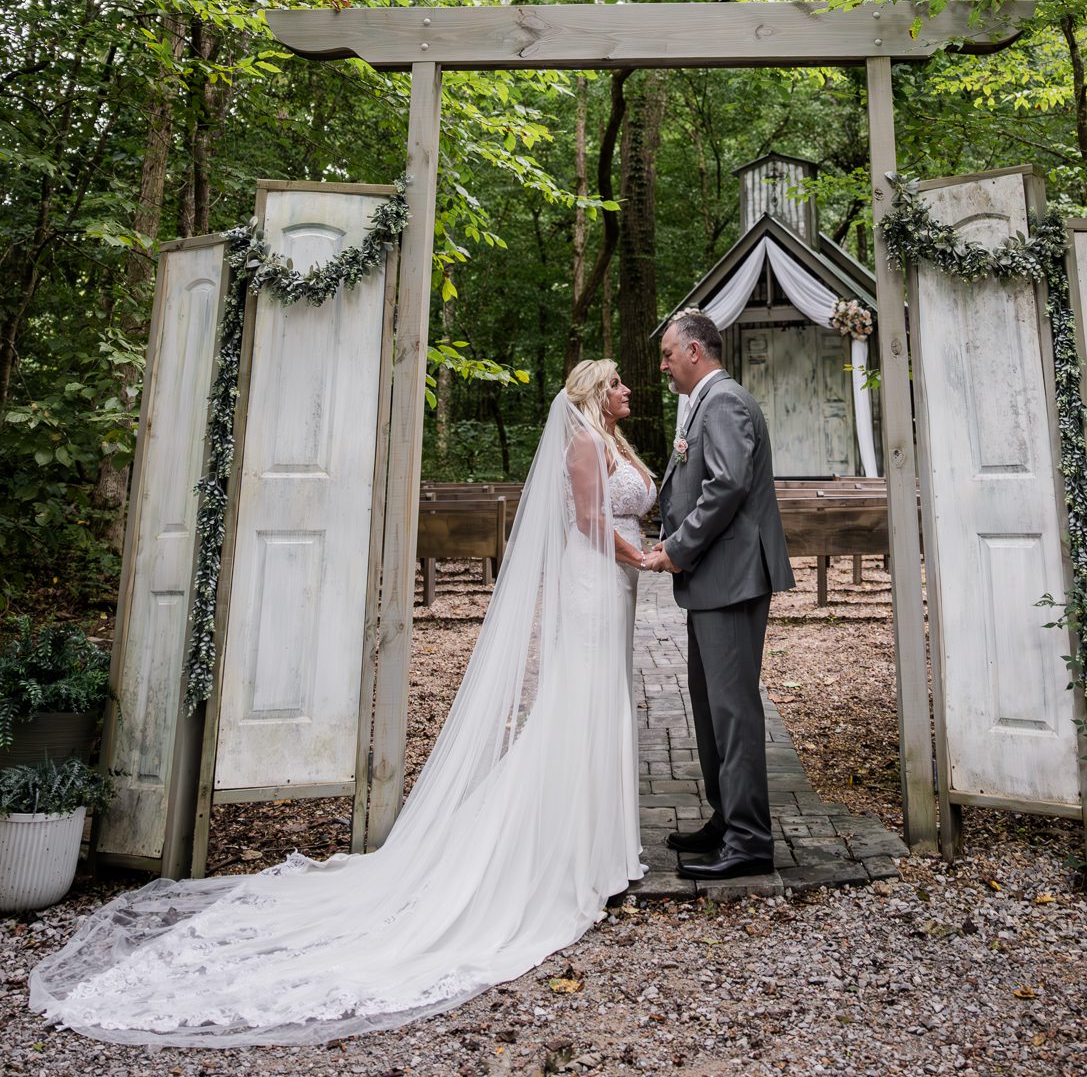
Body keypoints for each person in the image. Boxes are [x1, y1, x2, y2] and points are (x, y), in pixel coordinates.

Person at [30, 363, 653, 1048]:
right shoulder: (582, 446)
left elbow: (623, 509)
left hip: (613, 587)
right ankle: (567, 851)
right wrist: (644, 561)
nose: (629, 390)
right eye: (619, 384)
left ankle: (600, 848)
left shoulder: (615, 444)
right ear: (597, 394)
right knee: (579, 709)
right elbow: (592, 523)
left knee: (601, 708)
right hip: (595, 582)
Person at [643, 309, 795, 880]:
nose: (662, 365)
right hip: (714, 579)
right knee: (708, 707)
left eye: (666, 354)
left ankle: (751, 840)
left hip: (731, 577)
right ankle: (727, 819)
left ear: (695, 352)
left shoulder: (725, 402)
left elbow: (726, 483)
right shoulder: (705, 403)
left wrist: (678, 548)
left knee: (733, 711)